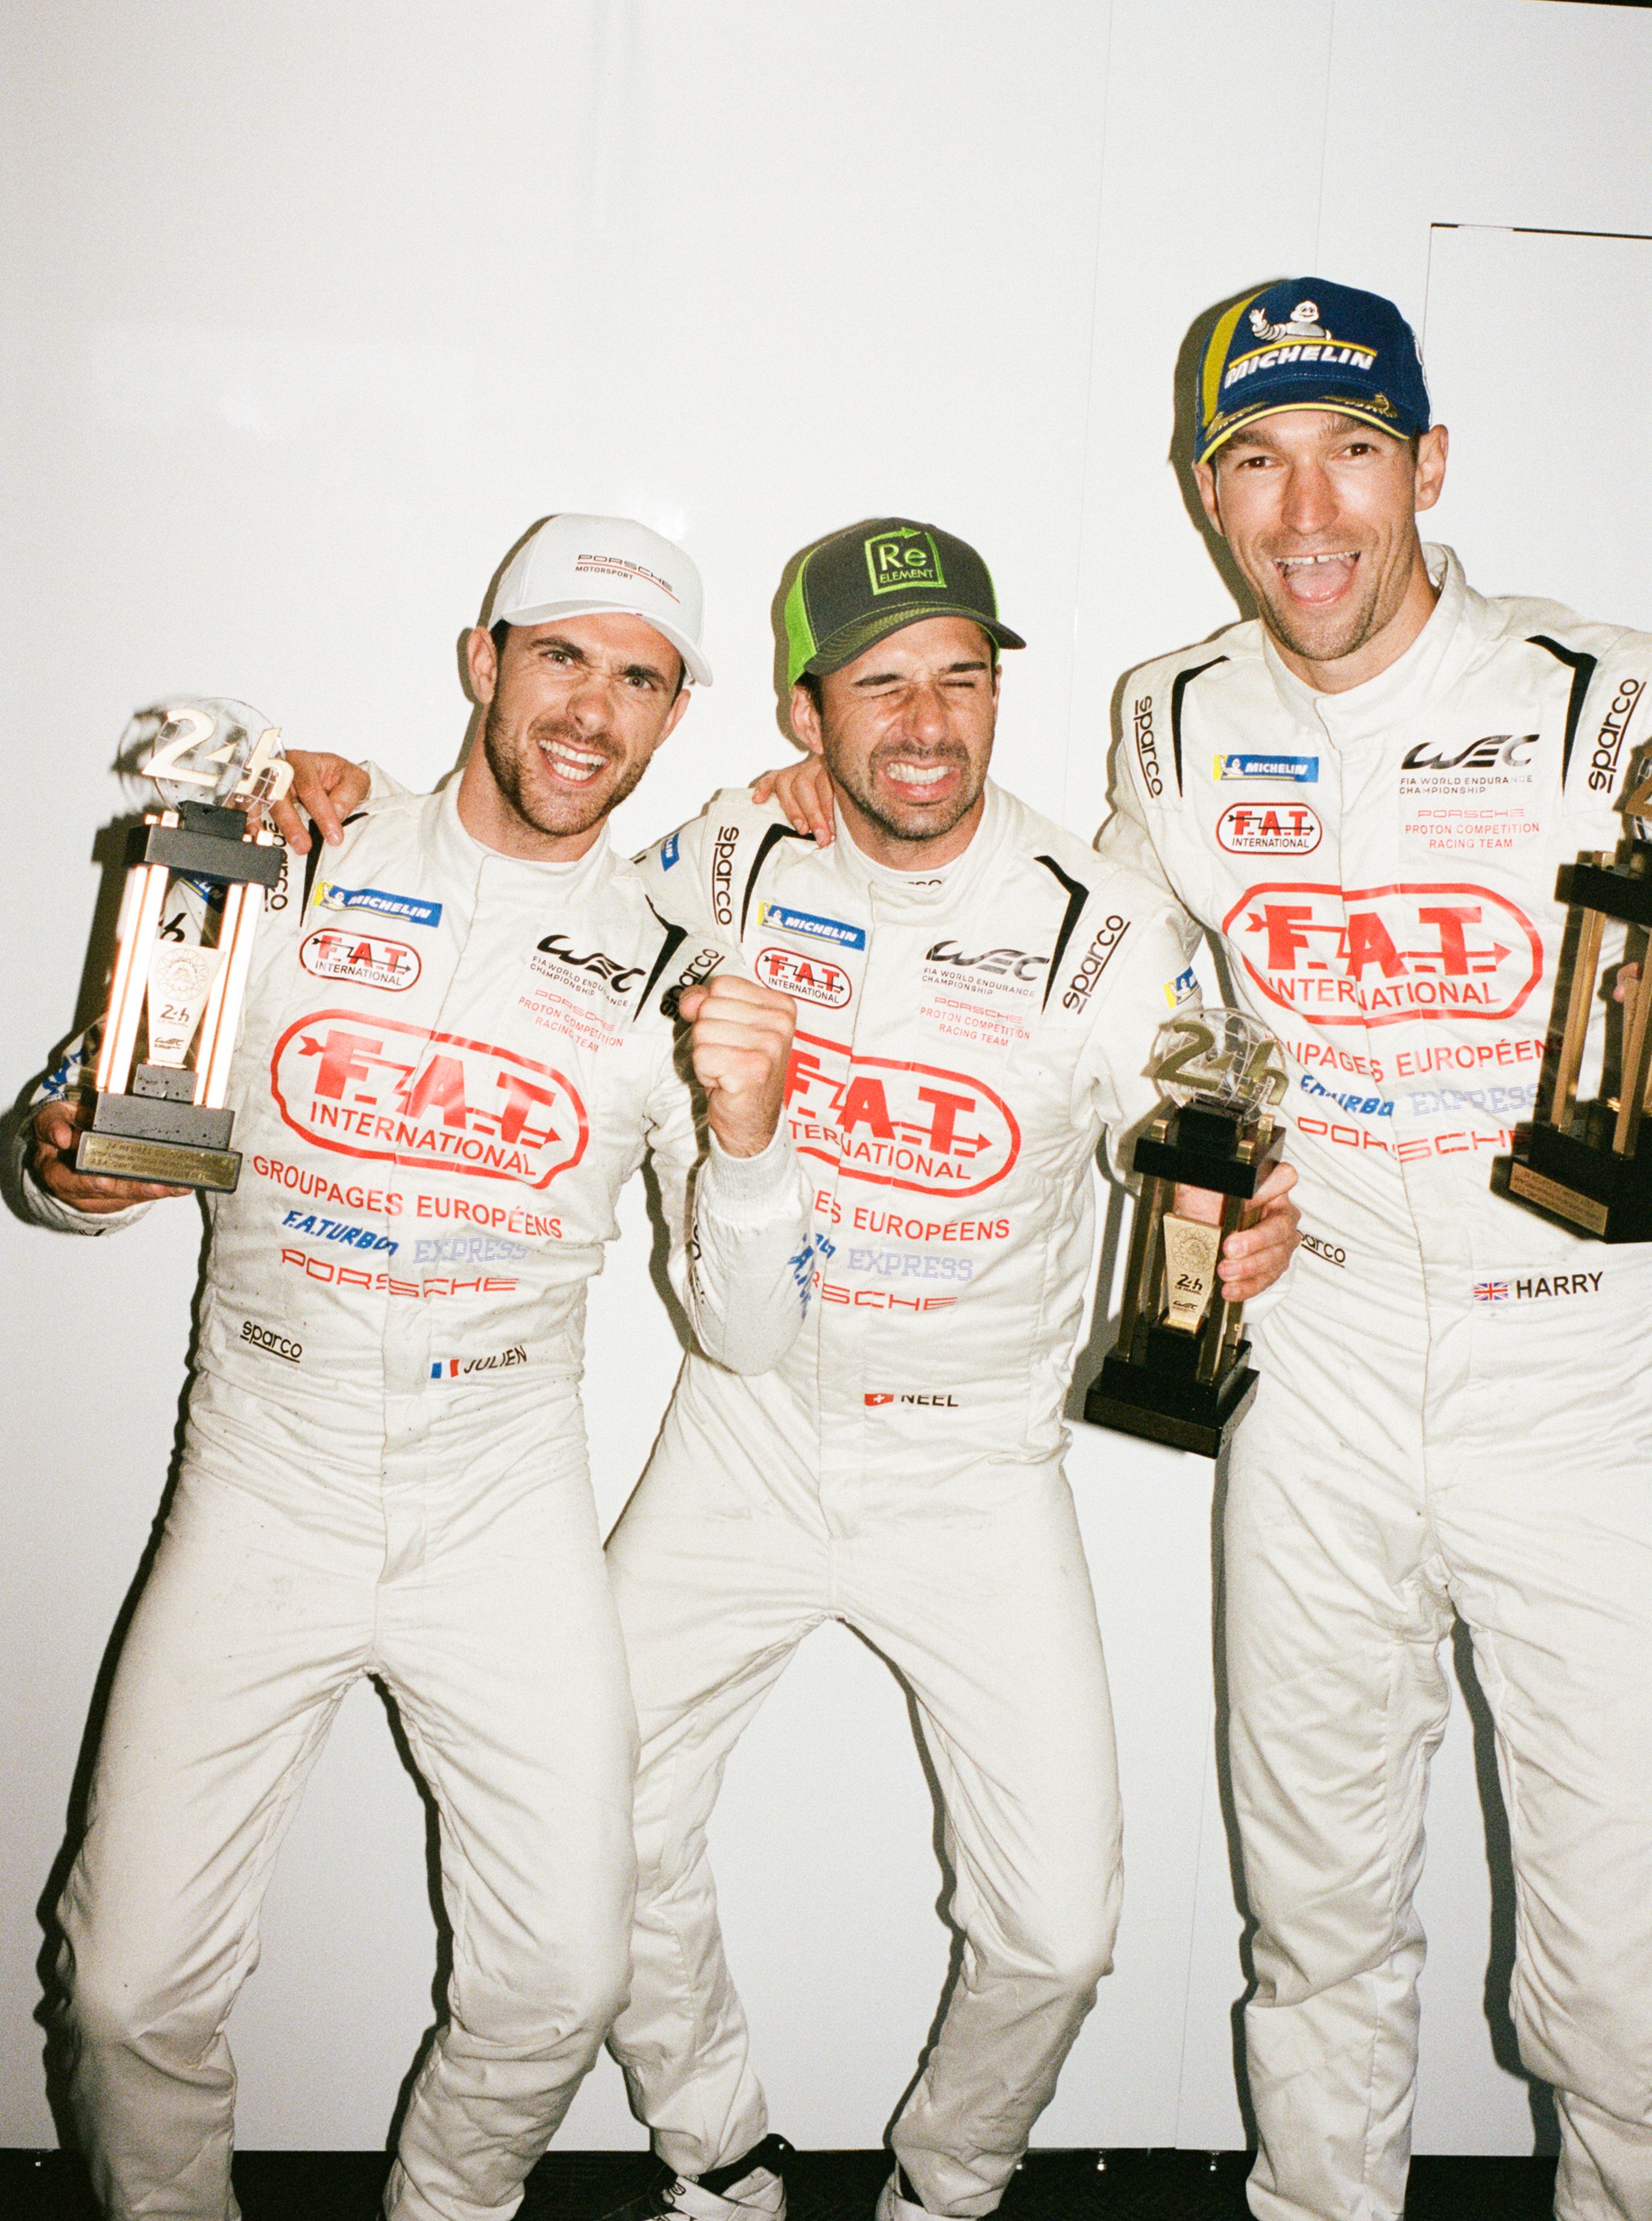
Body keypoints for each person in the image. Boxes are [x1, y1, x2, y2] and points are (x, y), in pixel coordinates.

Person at [285, 514, 1301, 2221]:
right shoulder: (723, 861)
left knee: (1056, 1927)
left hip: (977, 1460)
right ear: (804, 712)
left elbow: (1210, 1127)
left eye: (962, 679)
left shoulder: (1109, 922)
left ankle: (948, 2187)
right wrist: (330, 791)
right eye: (882, 684)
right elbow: (514, 860)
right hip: (744, 1428)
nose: (927, 723)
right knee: (596, 1831)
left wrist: (1251, 1222)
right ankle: (719, 2145)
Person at [771, 294, 1652, 2221]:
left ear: (1430, 464)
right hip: (1314, 1367)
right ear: (1206, 492)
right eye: (1257, 459)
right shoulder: (1173, 721)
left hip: (1584, 1377)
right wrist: (813, 831)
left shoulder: (1612, 693)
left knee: (1625, 1993)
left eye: (1351, 449)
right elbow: (1106, 973)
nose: (1307, 507)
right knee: (1316, 1914)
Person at [19, 514, 813, 2221]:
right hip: (263, 1456)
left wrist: (750, 1148)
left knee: (564, 1976)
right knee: (125, 1982)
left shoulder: (688, 954)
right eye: (559, 657)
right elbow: (83, 1127)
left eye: (640, 678)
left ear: (674, 717)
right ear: (484, 662)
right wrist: (62, 1165)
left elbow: (746, 1330)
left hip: (500, 1487)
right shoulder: (281, 848)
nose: (592, 709)